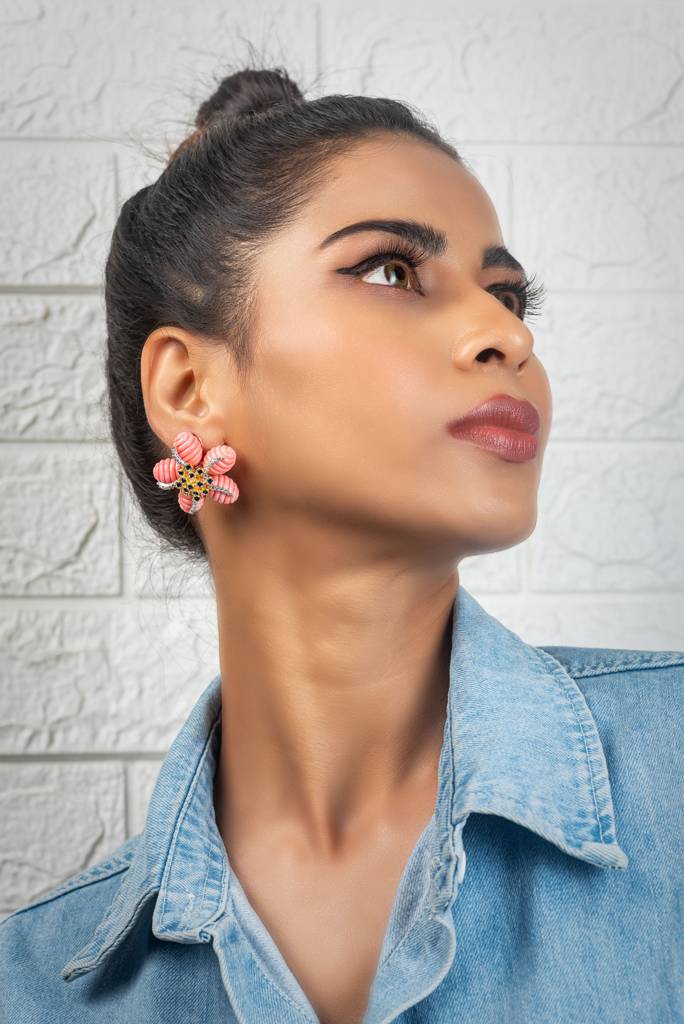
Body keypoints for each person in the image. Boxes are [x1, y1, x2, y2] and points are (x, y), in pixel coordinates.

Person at [1, 61, 683, 1024]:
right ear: (190, 390)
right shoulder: (33, 986)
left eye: (510, 298)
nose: (504, 335)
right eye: (393, 271)